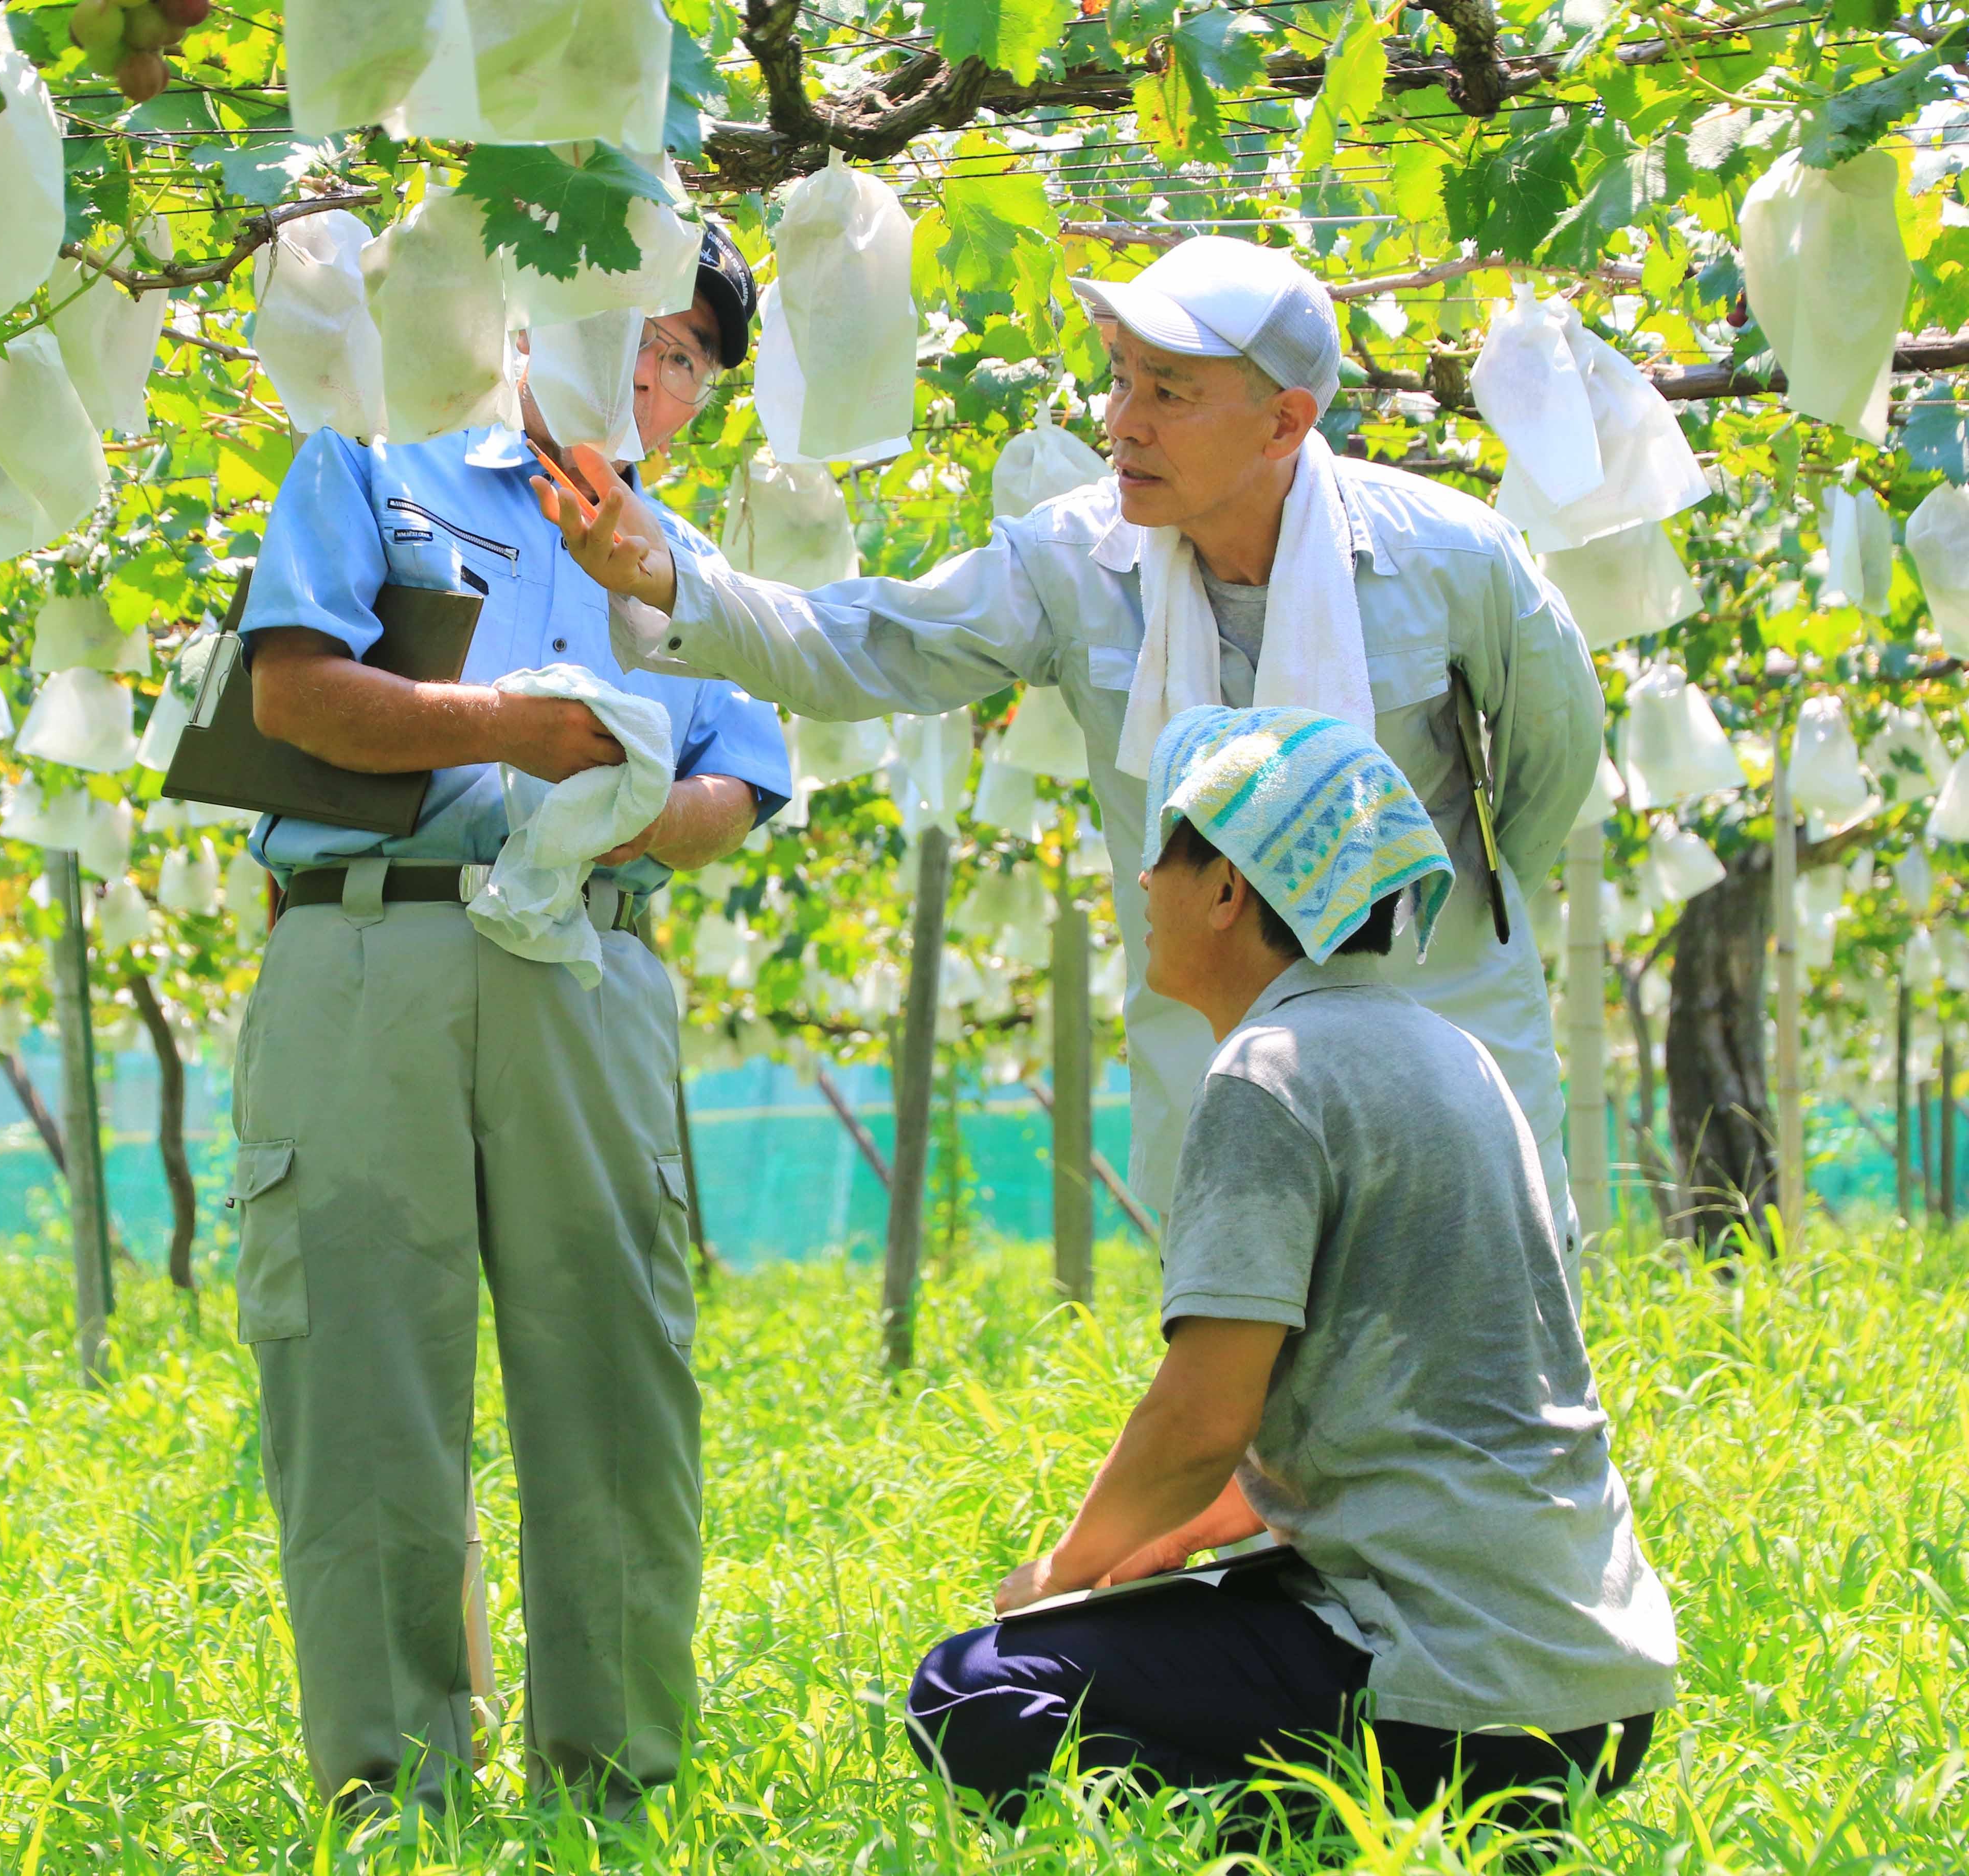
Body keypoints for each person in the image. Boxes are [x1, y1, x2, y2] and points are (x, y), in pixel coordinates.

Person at [539, 233, 1605, 1235]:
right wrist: (669, 580)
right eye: (1121, 378)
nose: (1122, 421)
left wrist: (1461, 913)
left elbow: (1549, 771)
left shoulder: (1454, 562)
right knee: (1249, 1383)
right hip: (1216, 1052)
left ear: (1284, 423)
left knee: (1481, 1372)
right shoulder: (1076, 564)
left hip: (1441, 1017)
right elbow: (871, 643)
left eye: (1169, 393)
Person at [228, 223, 792, 1813]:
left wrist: (628, 817)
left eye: (688, 358)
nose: (652, 371)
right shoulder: (378, 460)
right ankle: (393, 1797)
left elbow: (741, 783)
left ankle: (614, 1794)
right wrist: (528, 735)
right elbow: (294, 691)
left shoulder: (686, 569)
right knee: (360, 1381)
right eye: (637, 329)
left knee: (614, 1371)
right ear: (549, 317)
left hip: (587, 960)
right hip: (371, 946)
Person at [901, 705, 1676, 1839]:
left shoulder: (1271, 1072)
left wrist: (1061, 1572)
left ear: (1227, 888)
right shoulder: (1451, 1054)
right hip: (1592, 1687)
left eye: (1164, 853)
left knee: (973, 1688)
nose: (1142, 886)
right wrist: (1160, 1549)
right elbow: (1363, 1425)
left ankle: (1359, 1848)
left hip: (1450, 1685)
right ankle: (1463, 1846)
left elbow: (1202, 1420)